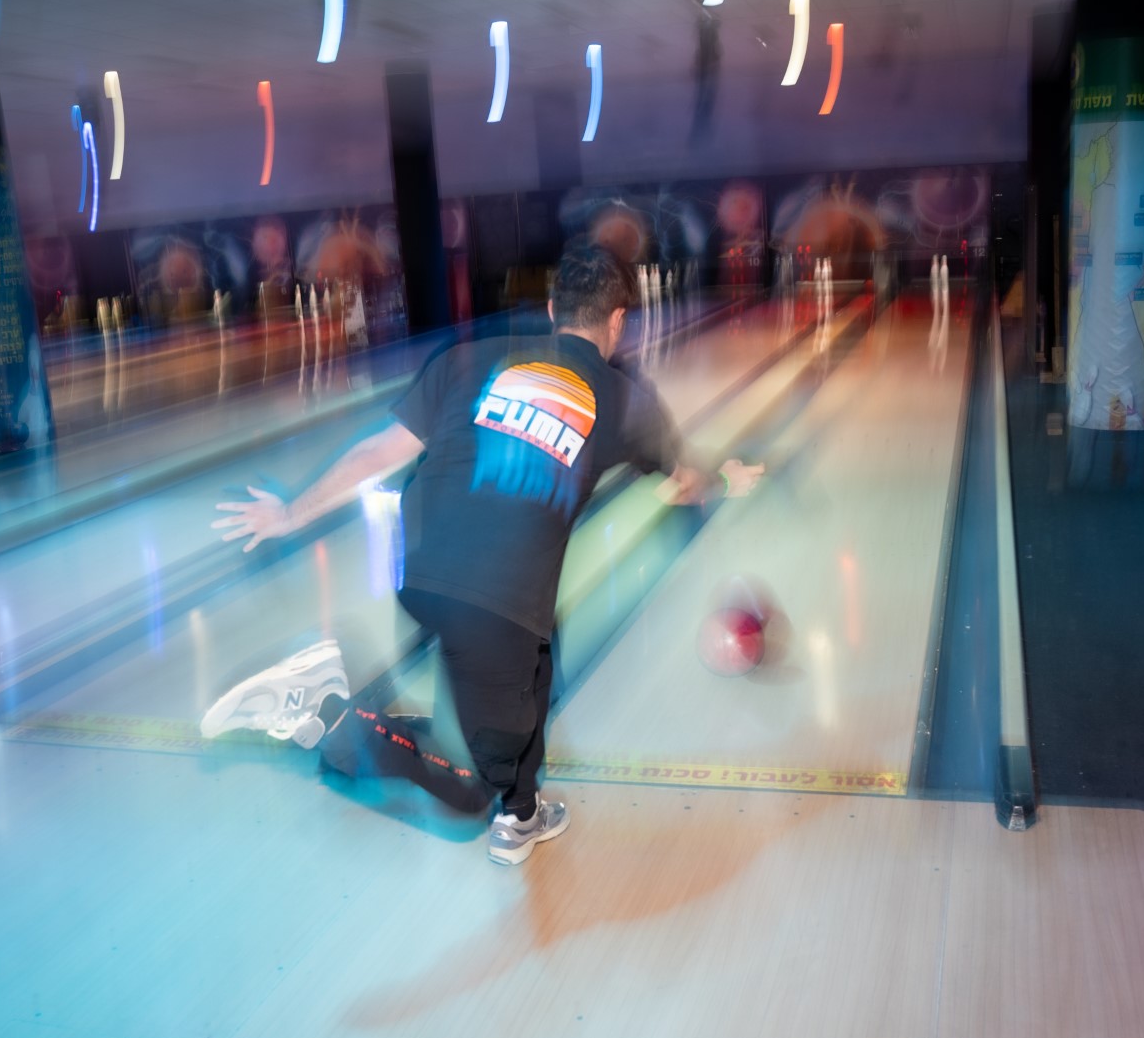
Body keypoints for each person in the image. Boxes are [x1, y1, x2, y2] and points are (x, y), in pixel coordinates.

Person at [208, 244, 763, 865]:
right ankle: (330, 711)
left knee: (536, 650)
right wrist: (726, 477)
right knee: (469, 789)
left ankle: (522, 812)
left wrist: (288, 515)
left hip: (420, 573)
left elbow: (377, 453)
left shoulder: (470, 358)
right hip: (493, 605)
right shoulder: (623, 399)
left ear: (552, 309)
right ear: (618, 321)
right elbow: (687, 482)